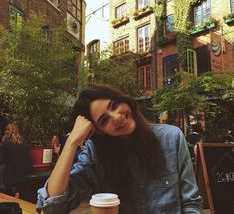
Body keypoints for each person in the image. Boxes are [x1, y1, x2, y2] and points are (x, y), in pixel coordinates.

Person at [37, 86, 203, 213]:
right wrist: (72, 140)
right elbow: (53, 205)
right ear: (99, 131)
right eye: (104, 120)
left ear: (124, 100)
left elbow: (191, 204)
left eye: (114, 105)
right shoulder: (96, 155)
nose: (117, 117)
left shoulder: (171, 138)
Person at [0, 122, 32, 196]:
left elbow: (1, 159)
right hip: (24, 172)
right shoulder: (24, 142)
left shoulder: (5, 143)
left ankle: (2, 192)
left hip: (11, 175)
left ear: (7, 131)